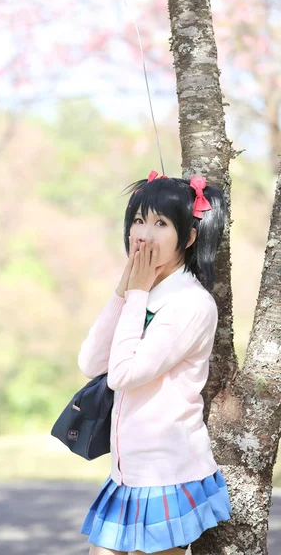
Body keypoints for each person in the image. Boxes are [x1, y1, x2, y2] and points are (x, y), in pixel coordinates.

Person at [77, 171, 233, 555]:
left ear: (189, 237)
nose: (143, 234)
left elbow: (124, 375)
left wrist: (137, 293)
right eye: (138, 221)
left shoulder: (192, 305)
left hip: (167, 473)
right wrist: (124, 289)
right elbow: (90, 361)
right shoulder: (141, 295)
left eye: (160, 223)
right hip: (127, 473)